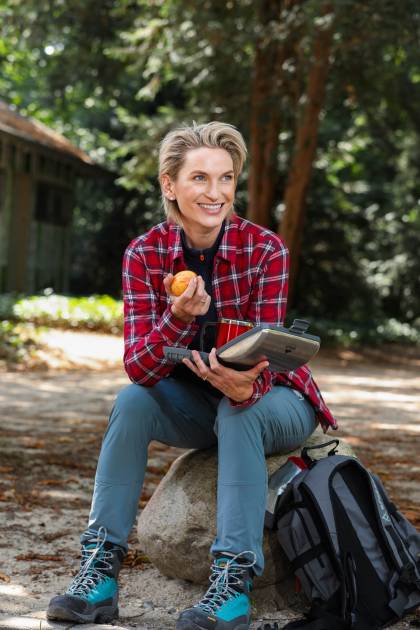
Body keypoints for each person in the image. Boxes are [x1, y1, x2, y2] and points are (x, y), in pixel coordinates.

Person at [47, 121, 337, 630]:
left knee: (240, 411)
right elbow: (139, 367)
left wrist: (247, 386)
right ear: (169, 185)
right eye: (200, 178)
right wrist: (177, 318)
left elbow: (272, 358)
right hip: (200, 405)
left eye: (226, 178)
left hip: (279, 400)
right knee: (132, 402)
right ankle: (100, 570)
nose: (215, 193)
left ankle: (232, 585)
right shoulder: (144, 254)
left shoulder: (265, 250)